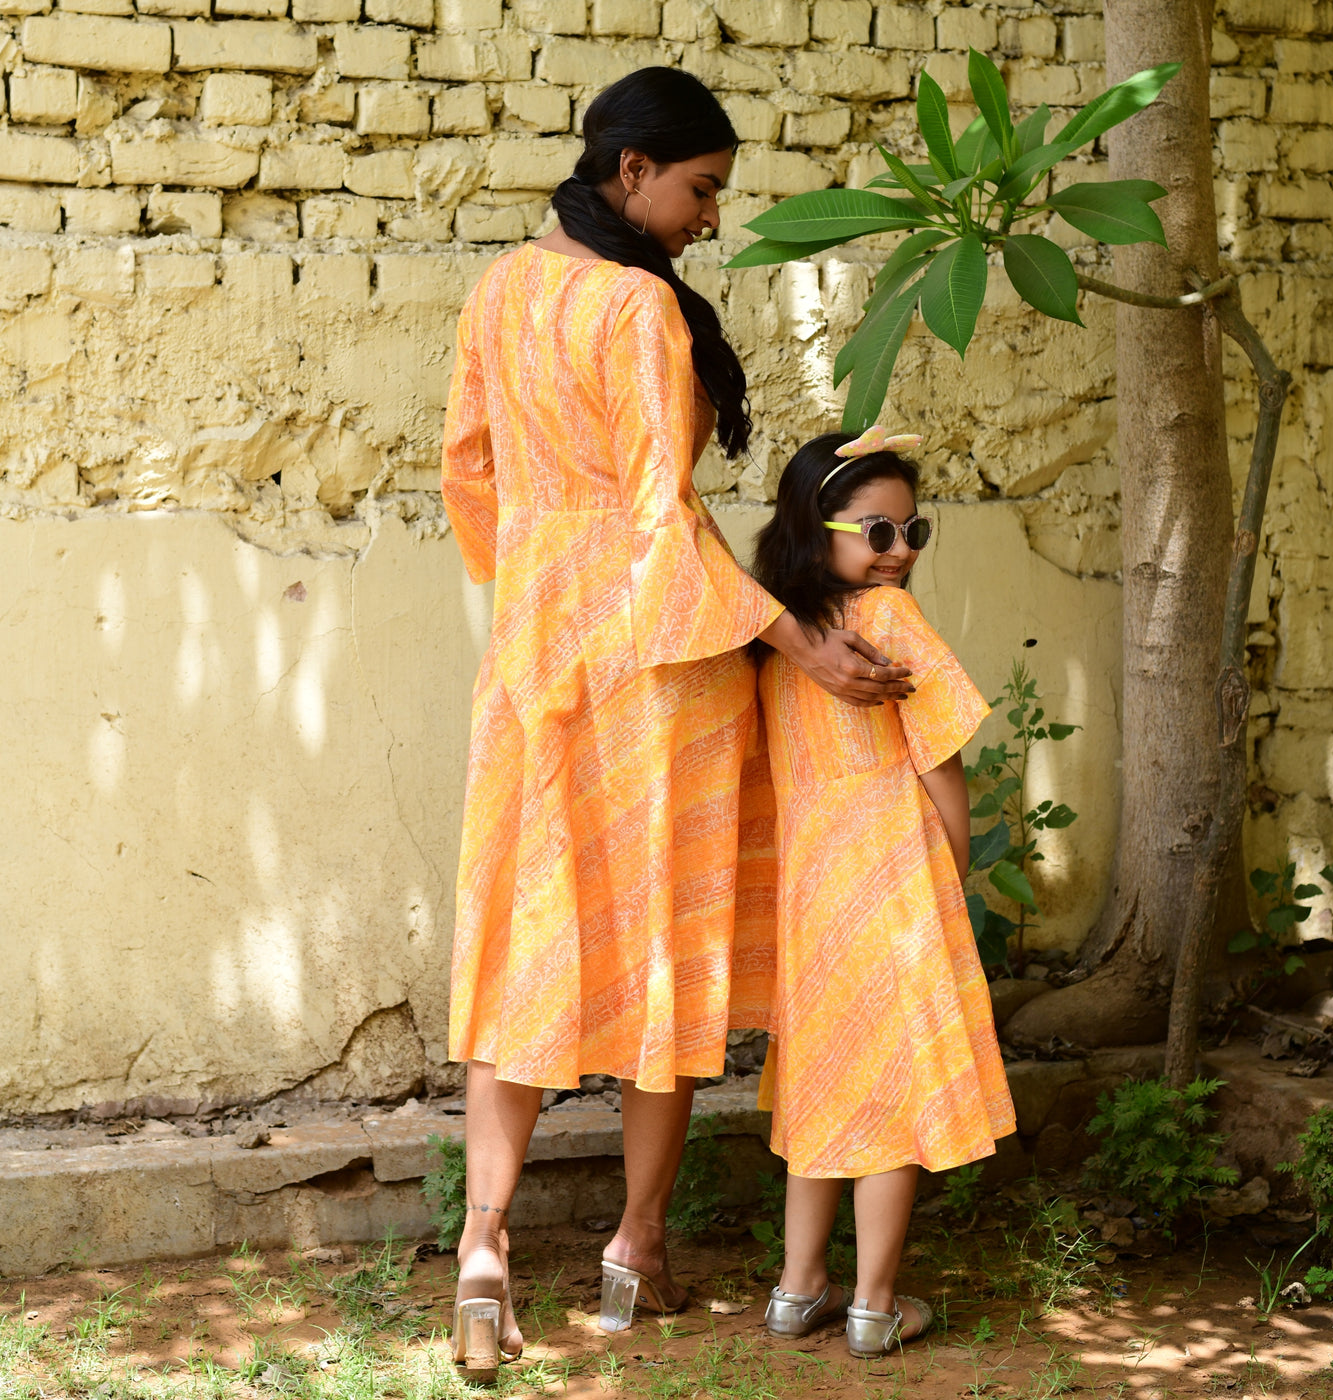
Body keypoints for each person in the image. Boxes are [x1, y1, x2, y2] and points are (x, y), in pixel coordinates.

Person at [440, 71, 913, 1377]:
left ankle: (483, 1252)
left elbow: (467, 470)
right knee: (665, 943)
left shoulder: (501, 292)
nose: (710, 217)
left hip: (537, 664)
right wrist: (804, 639)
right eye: (703, 189)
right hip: (661, 677)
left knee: (530, 942)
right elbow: (665, 524)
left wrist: (541, 590)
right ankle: (635, 1241)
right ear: (634, 169)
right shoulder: (637, 308)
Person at [749, 427, 1016, 1358]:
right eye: (878, 531)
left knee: (823, 1088)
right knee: (894, 1091)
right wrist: (947, 873)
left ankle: (796, 1290)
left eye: (914, 532)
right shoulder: (889, 624)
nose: (899, 552)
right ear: (814, 527)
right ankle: (871, 1303)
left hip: (812, 882)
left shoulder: (777, 636)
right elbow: (942, 767)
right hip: (895, 872)